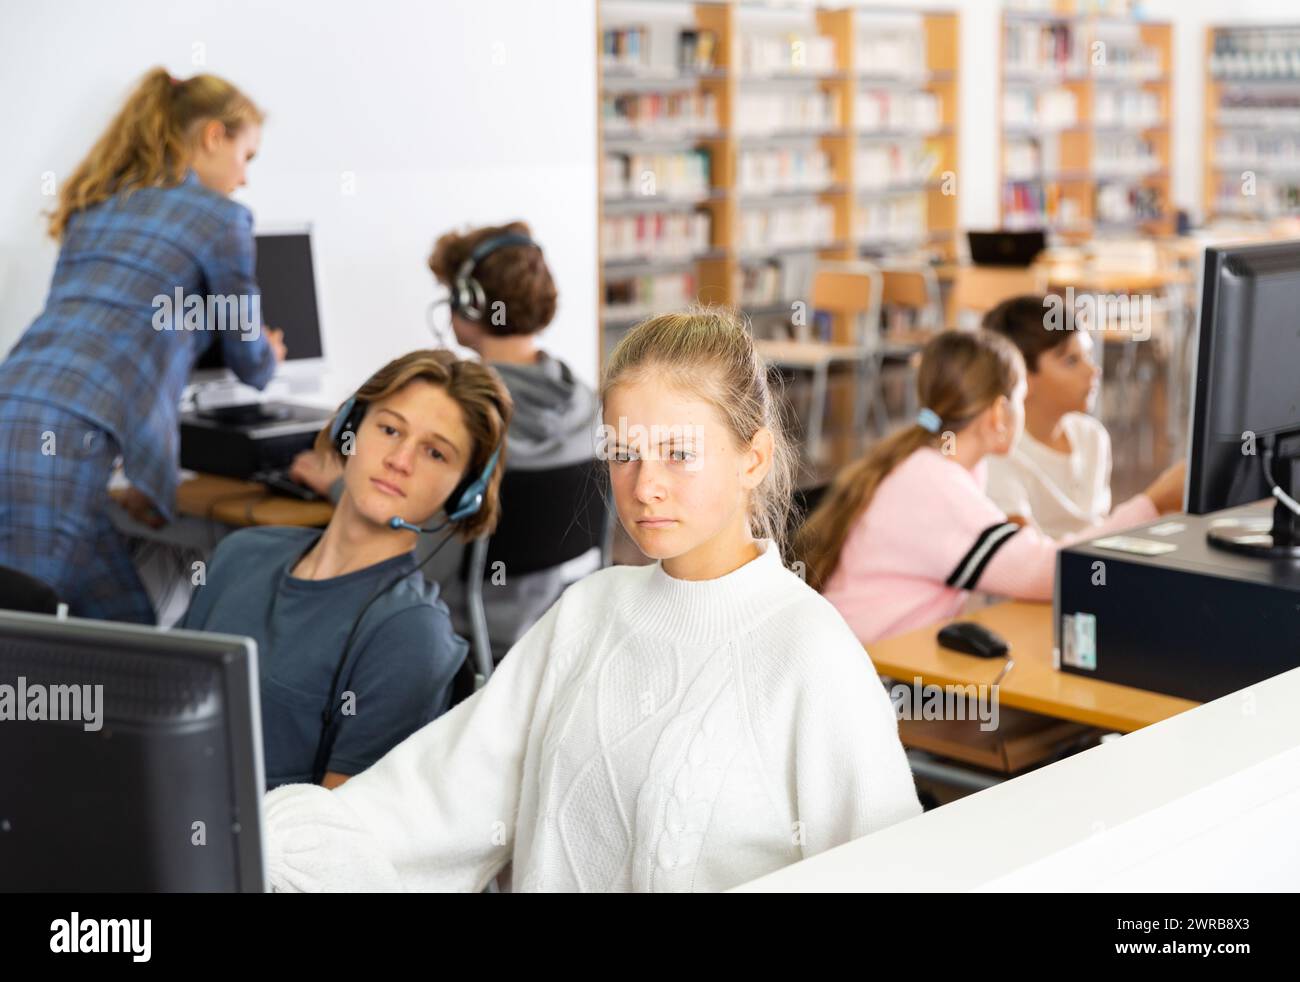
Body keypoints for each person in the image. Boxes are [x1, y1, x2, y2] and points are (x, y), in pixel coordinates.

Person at [261, 308, 921, 892]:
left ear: (752, 459)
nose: (645, 486)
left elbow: (890, 873)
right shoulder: (590, 611)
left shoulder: (810, 652)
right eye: (625, 453)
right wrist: (257, 837)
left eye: (678, 454)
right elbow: (437, 797)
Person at [0, 67, 284, 622]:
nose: (245, 178)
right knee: (50, 636)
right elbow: (249, 358)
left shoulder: (101, 206)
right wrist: (269, 351)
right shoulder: (220, 219)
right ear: (212, 137)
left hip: (16, 413)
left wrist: (146, 480)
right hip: (58, 443)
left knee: (115, 628)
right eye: (247, 156)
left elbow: (119, 355)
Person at [180, 350, 511, 790]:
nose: (400, 459)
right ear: (349, 429)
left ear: (464, 492)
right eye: (390, 429)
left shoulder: (410, 635)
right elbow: (167, 703)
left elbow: (334, 840)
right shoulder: (240, 552)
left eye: (434, 452)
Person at [289, 221, 598, 661]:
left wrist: (337, 484)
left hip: (454, 633)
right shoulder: (588, 404)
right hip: (544, 632)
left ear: (467, 304)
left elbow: (426, 555)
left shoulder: (470, 424)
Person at [798, 329, 1186, 643]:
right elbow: (1044, 573)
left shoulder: (930, 465)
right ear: (1000, 411)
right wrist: (1153, 503)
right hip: (876, 678)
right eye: (1019, 398)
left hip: (878, 659)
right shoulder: (933, 482)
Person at [982, 295, 1185, 538]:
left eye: (1088, 355)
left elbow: (1098, 533)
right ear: (1022, 376)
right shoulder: (999, 455)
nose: (1093, 371)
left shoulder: (1092, 436)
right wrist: (1153, 503)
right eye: (1071, 361)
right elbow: (1035, 560)